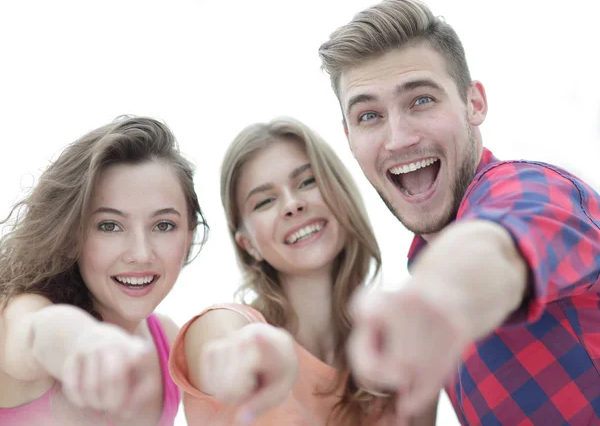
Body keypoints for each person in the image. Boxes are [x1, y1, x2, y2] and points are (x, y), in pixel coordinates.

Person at [317, 0, 600, 425]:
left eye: (421, 101)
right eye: (369, 115)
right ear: (349, 138)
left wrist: (436, 298)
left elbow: (499, 245)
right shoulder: (421, 265)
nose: (398, 139)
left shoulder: (532, 188)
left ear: (474, 104)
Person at [168, 117, 437, 425]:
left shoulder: (397, 355)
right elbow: (225, 345)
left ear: (341, 197)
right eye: (265, 201)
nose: (292, 205)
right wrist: (249, 356)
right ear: (247, 245)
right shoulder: (222, 325)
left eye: (307, 182)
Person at [0, 116, 208, 425]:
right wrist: (82, 340)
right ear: (72, 237)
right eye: (110, 226)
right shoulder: (23, 307)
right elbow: (35, 332)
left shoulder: (167, 338)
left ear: (189, 234)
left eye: (164, 225)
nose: (141, 254)